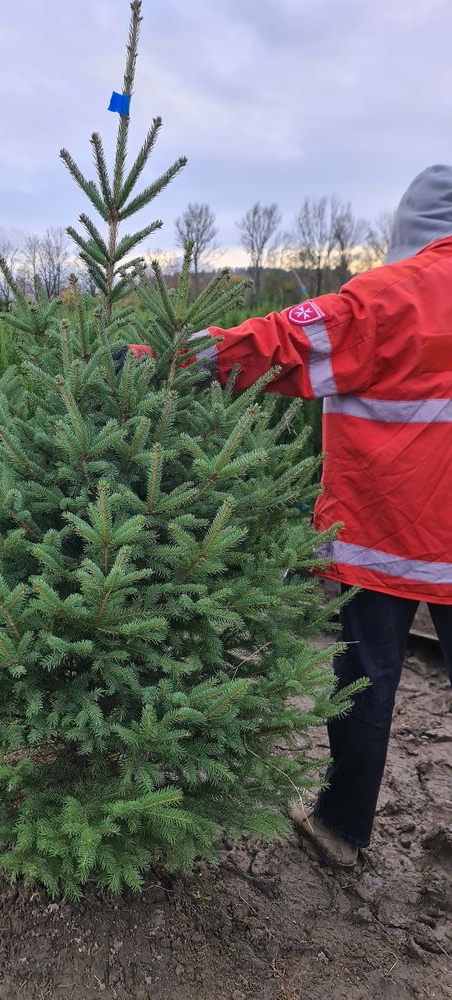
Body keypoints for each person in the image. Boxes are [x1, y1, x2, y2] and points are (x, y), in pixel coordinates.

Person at [130, 164, 452, 867]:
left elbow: (272, 347)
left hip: (387, 539)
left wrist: (155, 360)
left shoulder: (388, 298)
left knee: (365, 681)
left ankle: (340, 830)